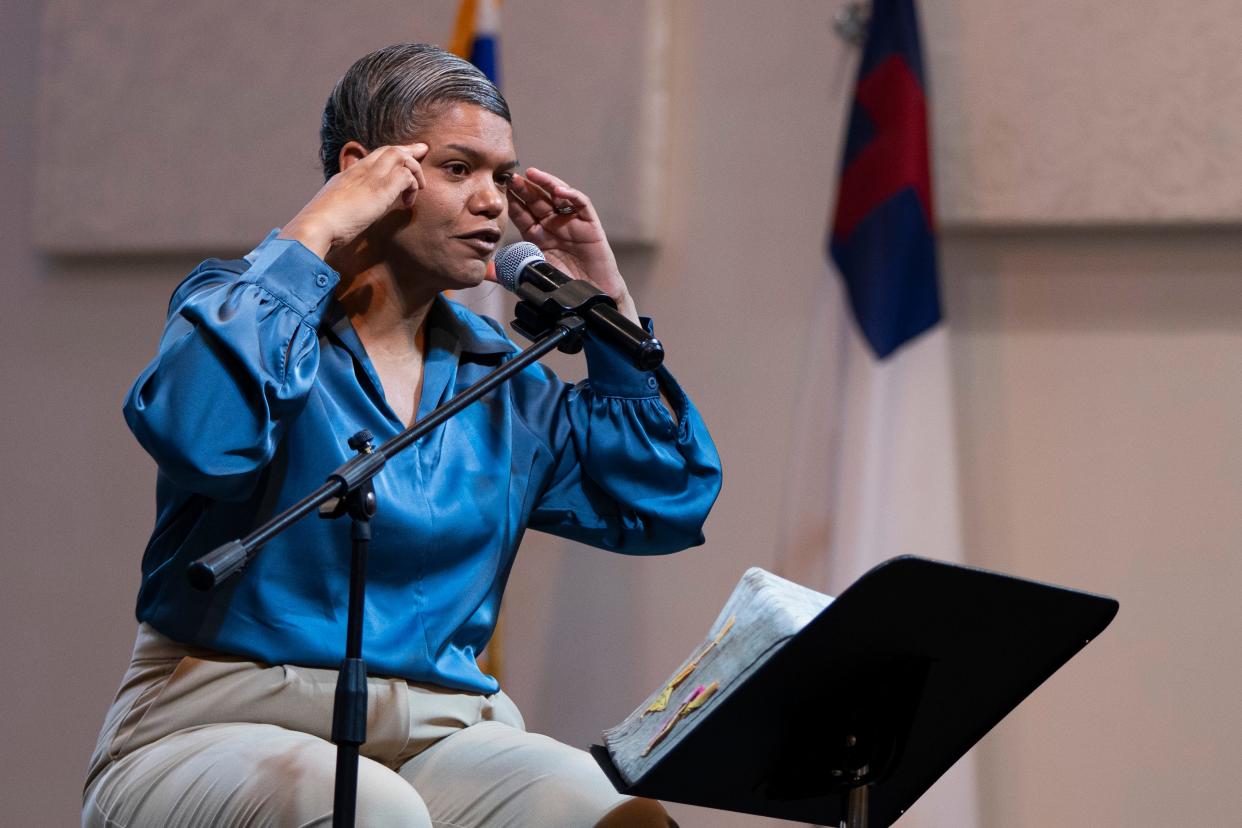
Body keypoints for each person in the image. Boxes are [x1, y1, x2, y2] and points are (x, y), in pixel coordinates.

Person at [81, 43, 721, 827]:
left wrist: (610, 307)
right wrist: (314, 230)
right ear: (366, 170)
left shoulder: (505, 381)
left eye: (503, 177)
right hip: (216, 715)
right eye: (459, 169)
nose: (493, 202)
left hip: (439, 732)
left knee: (610, 813)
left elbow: (664, 502)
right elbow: (201, 435)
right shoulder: (243, 309)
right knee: (370, 811)